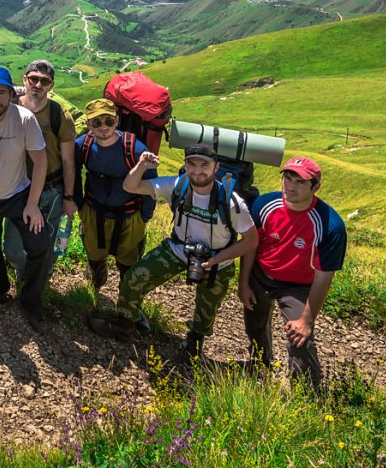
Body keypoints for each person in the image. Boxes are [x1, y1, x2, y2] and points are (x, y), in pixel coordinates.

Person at [88, 144, 258, 358]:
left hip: (218, 260)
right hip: (178, 249)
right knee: (134, 278)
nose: (197, 171)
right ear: (185, 165)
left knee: (207, 307)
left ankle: (195, 342)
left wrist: (217, 260)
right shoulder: (178, 185)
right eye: (191, 164)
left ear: (216, 167)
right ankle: (124, 324)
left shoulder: (231, 201)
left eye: (204, 165)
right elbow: (131, 186)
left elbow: (251, 240)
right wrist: (141, 165)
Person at [240, 156, 346, 390]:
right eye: (287, 178)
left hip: (298, 285)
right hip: (261, 275)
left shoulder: (330, 225)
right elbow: (250, 245)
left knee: (300, 338)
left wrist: (306, 320)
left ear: (315, 187)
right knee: (255, 325)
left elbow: (324, 275)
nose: (290, 186)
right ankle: (260, 367)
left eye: (300, 182)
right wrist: (243, 283)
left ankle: (306, 391)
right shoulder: (263, 205)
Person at [0, 67, 52, 333]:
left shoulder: (24, 119)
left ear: (11, 94)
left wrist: (32, 204)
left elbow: (41, 161)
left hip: (18, 195)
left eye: (1, 93)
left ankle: (31, 300)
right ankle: (0, 287)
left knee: (40, 245)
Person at [4, 60, 77, 280]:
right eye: (33, 79)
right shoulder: (9, 107)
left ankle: (38, 279)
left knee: (47, 244)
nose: (37, 84)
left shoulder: (60, 116)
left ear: (51, 85)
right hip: (18, 188)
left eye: (44, 81)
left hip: (51, 189)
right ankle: (25, 269)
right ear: (25, 80)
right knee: (13, 250)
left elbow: (68, 161)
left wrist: (69, 197)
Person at [74, 99, 153, 303]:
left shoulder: (135, 149)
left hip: (129, 216)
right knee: (94, 254)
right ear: (88, 125)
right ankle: (96, 284)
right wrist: (79, 205)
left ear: (117, 121)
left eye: (108, 121)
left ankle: (125, 297)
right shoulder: (82, 146)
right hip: (93, 212)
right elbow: (72, 174)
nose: (103, 128)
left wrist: (145, 216)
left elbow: (152, 185)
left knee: (128, 261)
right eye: (96, 123)